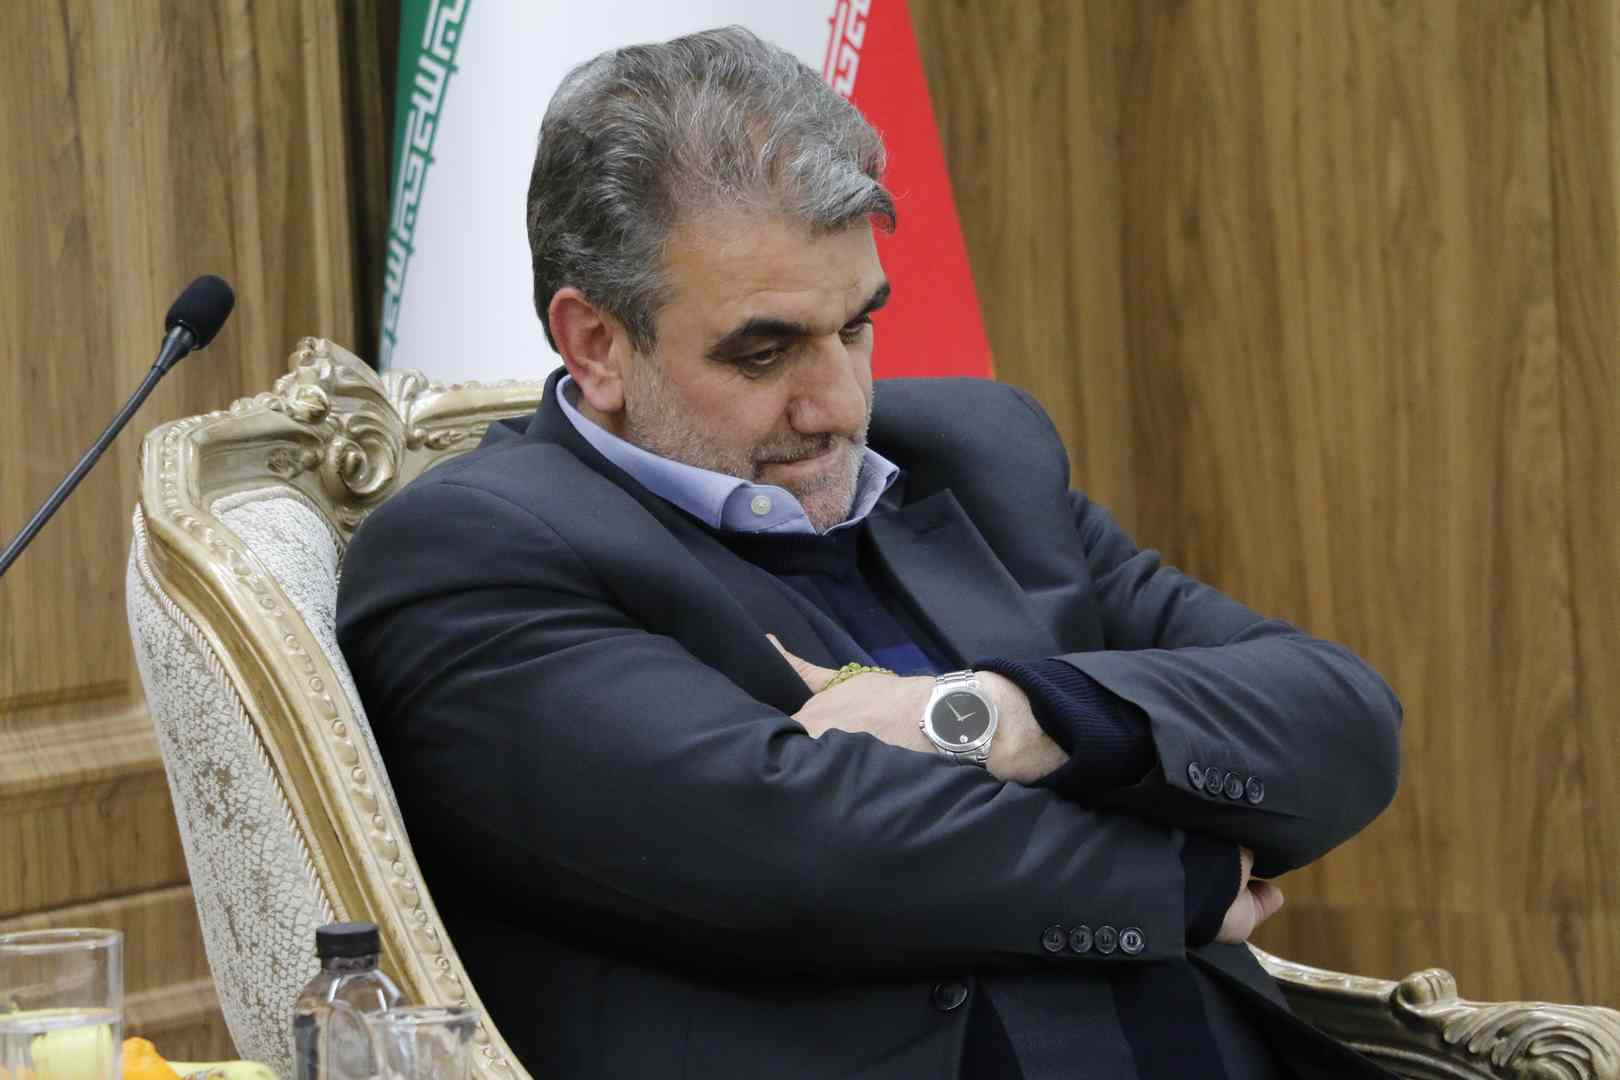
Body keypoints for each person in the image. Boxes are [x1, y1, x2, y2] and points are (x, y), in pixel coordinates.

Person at [337, 26, 1401, 1080]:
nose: (840, 403)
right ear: (597, 343)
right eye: (766, 351)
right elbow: (798, 849)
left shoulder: (978, 460)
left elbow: (1341, 720)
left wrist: (998, 716)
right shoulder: (473, 553)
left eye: (855, 327)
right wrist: (1184, 872)